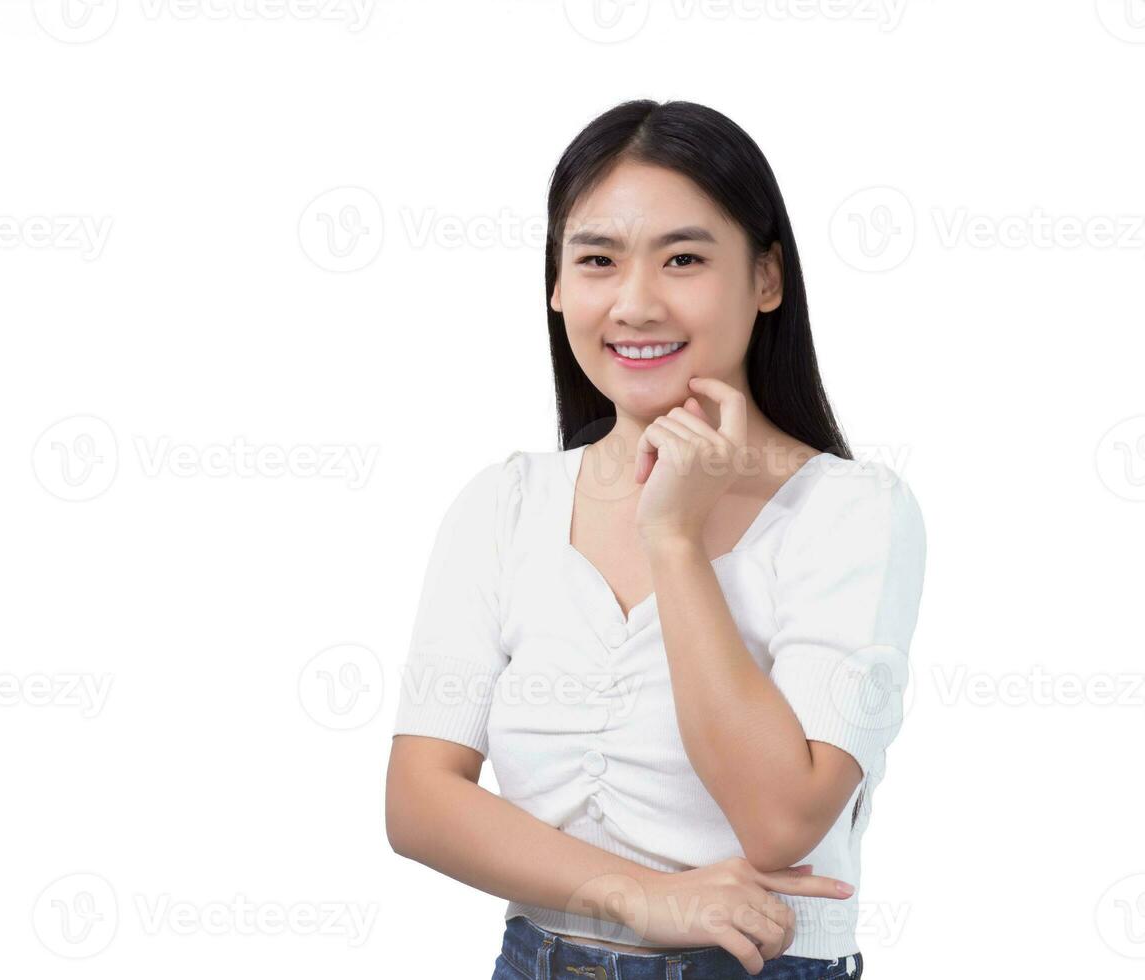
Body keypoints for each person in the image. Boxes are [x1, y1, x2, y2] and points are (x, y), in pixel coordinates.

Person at [384, 99, 926, 979]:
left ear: (766, 278)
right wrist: (642, 894)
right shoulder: (506, 503)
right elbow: (419, 801)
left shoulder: (853, 512)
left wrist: (673, 536)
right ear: (556, 286)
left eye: (683, 259)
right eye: (596, 260)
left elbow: (782, 820)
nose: (635, 303)